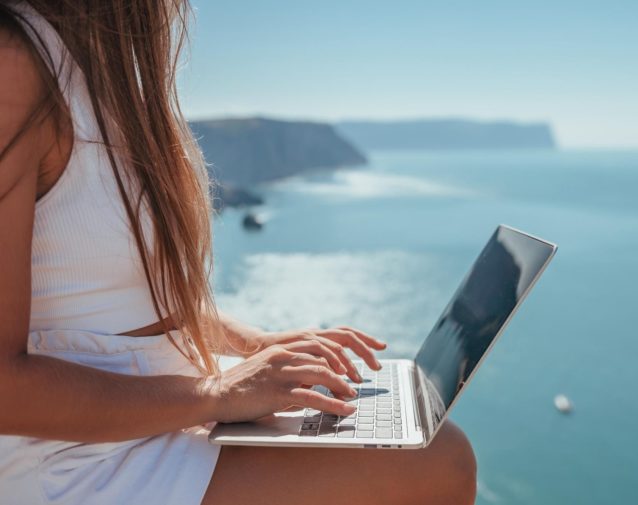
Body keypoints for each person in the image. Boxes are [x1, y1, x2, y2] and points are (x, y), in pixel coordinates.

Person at [0, 1, 477, 504]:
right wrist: (219, 394)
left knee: (421, 438)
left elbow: (131, 304)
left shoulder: (110, 74)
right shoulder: (14, 63)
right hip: (71, 466)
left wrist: (258, 344)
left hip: (155, 418)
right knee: (438, 460)